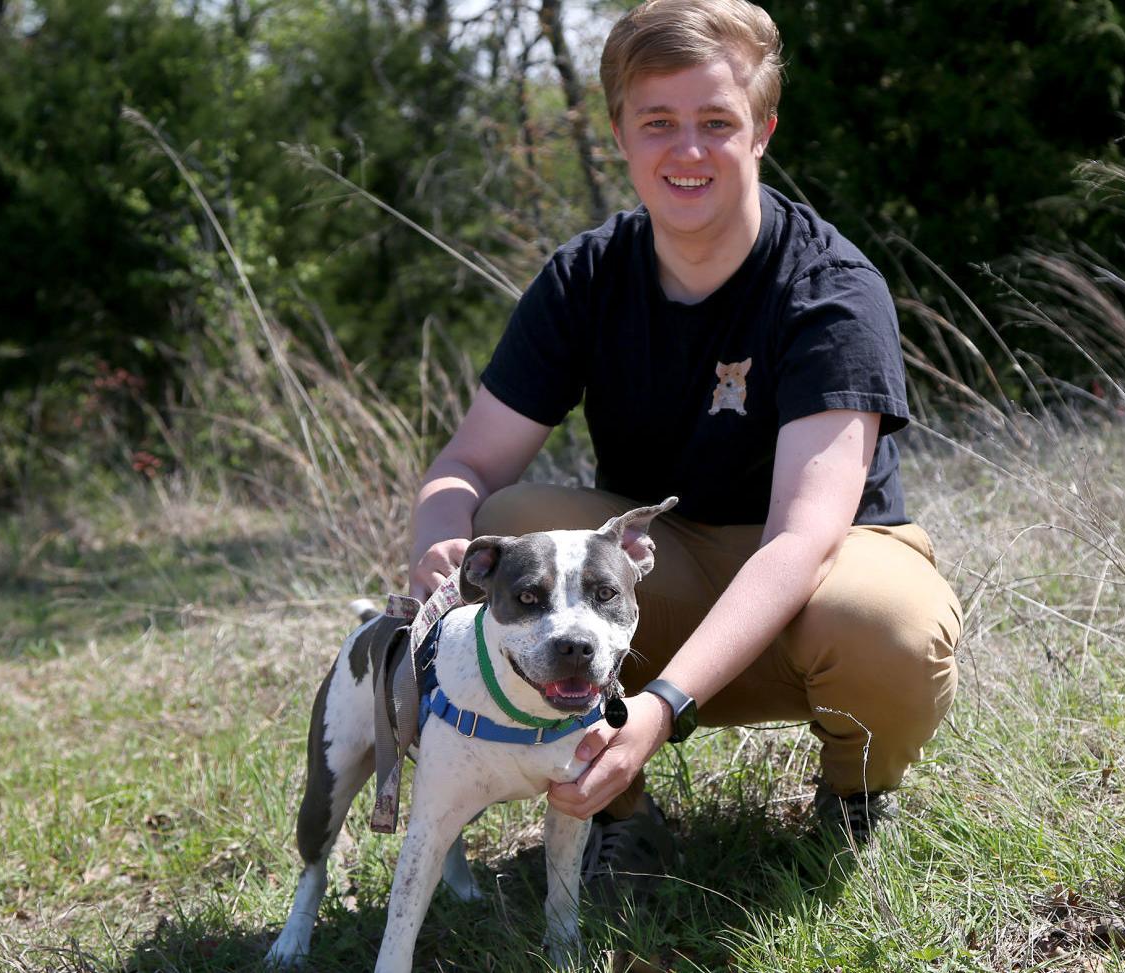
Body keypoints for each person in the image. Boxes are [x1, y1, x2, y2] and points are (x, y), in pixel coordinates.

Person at [406, 0, 961, 892]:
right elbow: (468, 466)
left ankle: (854, 799)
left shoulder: (831, 286)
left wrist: (662, 707)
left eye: (717, 122)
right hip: (652, 578)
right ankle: (617, 815)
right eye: (658, 122)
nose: (687, 150)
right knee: (507, 521)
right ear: (621, 133)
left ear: (763, 131)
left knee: (889, 622)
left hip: (815, 580)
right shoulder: (583, 278)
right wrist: (435, 540)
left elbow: (802, 537)